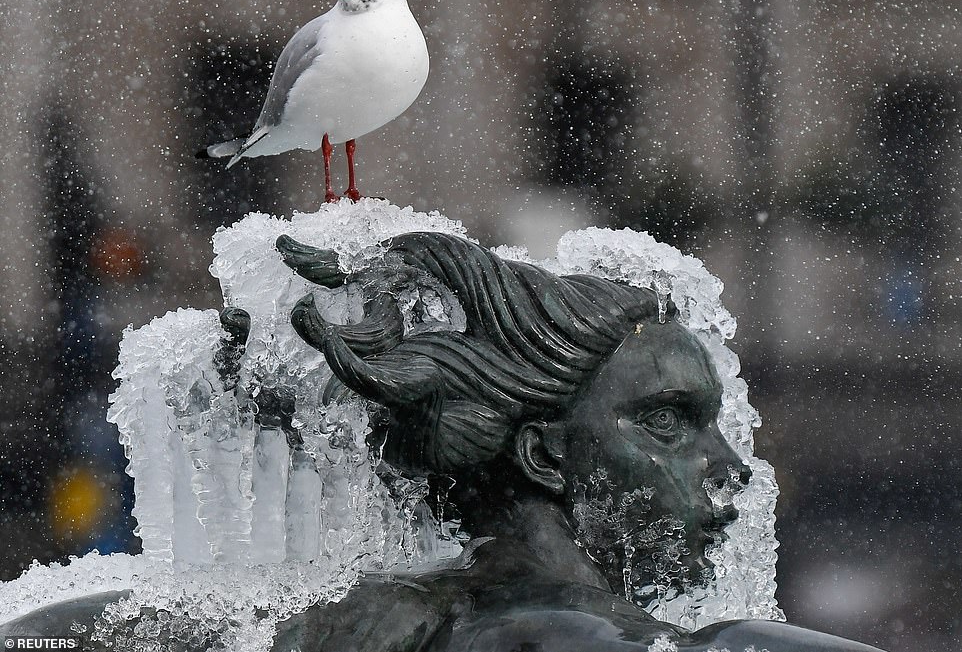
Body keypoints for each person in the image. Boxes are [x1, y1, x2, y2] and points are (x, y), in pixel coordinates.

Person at [2, 232, 885, 652]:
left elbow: (58, 628)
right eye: (667, 423)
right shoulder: (621, 642)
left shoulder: (340, 627)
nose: (732, 472)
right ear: (542, 454)